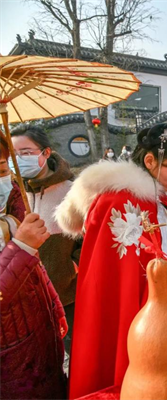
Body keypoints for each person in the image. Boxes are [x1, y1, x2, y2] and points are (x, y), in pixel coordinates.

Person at [55, 117, 167, 399]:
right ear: (149, 160)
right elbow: (112, 270)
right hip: (134, 305)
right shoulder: (116, 201)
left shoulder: (156, 199)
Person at [0, 134, 67, 399]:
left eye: (3, 168)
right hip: (9, 353)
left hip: (35, 330)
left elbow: (34, 268)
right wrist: (22, 246)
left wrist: (54, 305)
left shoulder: (12, 205)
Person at [10, 127, 79, 356]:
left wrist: (71, 268)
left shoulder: (73, 192)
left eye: (26, 152)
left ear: (46, 152)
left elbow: (87, 241)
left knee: (77, 353)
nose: (18, 160)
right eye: (14, 154)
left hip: (67, 295)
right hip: (24, 299)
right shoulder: (11, 193)